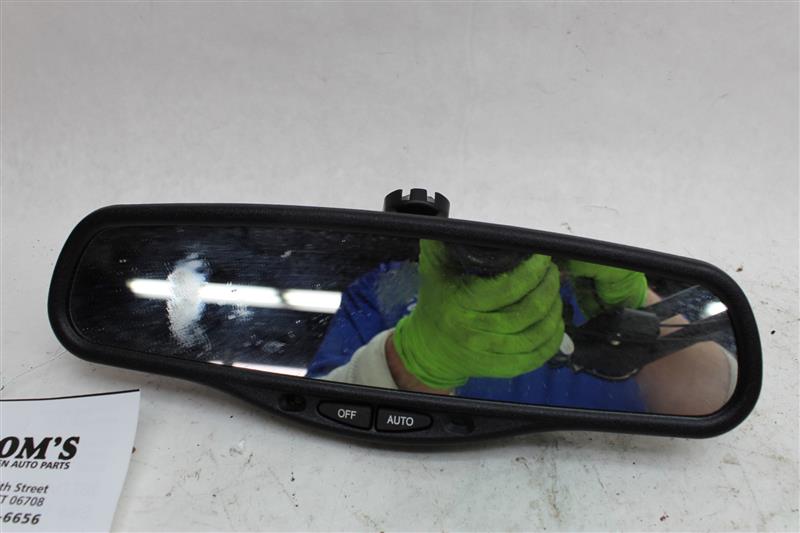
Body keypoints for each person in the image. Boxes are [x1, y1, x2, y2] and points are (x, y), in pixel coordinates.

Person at [307, 240, 736, 415]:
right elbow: (316, 417)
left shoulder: (592, 281)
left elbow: (715, 395)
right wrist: (414, 360)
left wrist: (637, 304)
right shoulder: (385, 290)